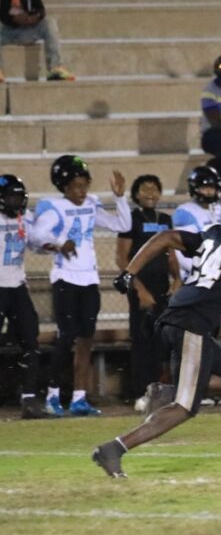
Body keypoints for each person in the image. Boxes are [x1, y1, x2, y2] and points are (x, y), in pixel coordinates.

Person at [92, 195, 221, 478]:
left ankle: (168, 391)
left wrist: (129, 272)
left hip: (177, 317)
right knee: (185, 408)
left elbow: (167, 237)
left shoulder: (218, 233)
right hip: (192, 324)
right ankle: (114, 448)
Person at [29, 156, 131, 416]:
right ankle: (52, 396)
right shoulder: (53, 207)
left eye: (85, 184)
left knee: (86, 339)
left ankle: (78, 397)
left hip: (89, 279)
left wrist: (120, 198)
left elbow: (123, 225)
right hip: (65, 279)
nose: (81, 191)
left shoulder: (91, 204)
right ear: (63, 186)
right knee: (66, 338)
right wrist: (61, 241)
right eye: (76, 185)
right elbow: (36, 235)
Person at [116, 175, 180, 407]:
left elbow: (171, 253)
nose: (150, 193)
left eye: (155, 188)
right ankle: (139, 391)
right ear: (136, 194)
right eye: (145, 189)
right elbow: (122, 258)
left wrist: (178, 279)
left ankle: (158, 390)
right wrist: (138, 288)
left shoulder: (165, 220)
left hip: (163, 286)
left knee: (161, 340)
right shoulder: (130, 220)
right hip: (140, 285)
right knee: (141, 339)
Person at [0, 174, 44, 418]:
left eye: (18, 196)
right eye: (10, 196)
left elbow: (38, 243)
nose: (15, 201)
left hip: (16, 287)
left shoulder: (24, 219)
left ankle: (29, 398)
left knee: (30, 339)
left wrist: (54, 244)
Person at [0, 0, 73, 82]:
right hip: (6, 30)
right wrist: (13, 19)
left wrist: (34, 17)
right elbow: (2, 14)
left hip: (28, 29)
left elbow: (41, 9)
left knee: (49, 23)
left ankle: (55, 68)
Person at [172, 167, 221, 281]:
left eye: (211, 187)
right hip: (193, 272)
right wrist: (202, 270)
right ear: (195, 188)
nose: (208, 192)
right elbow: (181, 250)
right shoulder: (185, 212)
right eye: (204, 188)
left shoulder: (218, 209)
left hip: (215, 269)